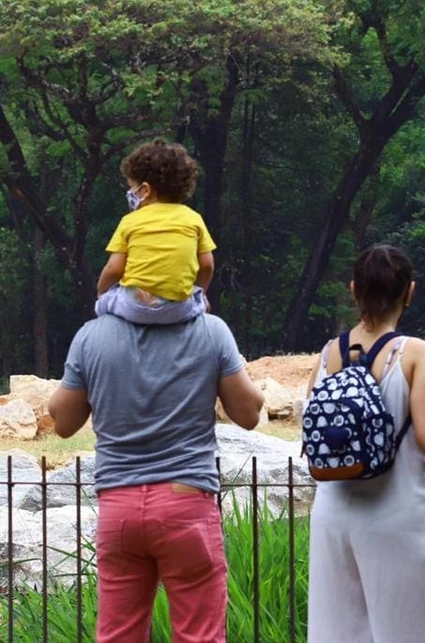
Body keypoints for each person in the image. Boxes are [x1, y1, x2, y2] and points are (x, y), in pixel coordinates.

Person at [305, 244, 425, 643]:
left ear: (354, 290)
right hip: (398, 517)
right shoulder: (414, 353)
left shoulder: (326, 355)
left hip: (332, 519)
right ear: (409, 292)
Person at [48, 311, 265, 642]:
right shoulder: (211, 330)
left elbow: (63, 422)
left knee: (118, 635)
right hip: (186, 500)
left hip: (118, 505)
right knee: (199, 636)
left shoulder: (91, 336)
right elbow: (249, 414)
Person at [95, 139, 215, 325]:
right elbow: (207, 265)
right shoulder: (194, 219)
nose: (129, 192)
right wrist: (201, 293)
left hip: (136, 306)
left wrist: (101, 291)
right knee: (199, 299)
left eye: (131, 186)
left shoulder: (130, 221)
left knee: (103, 302)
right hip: (178, 309)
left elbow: (114, 269)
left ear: (144, 190)